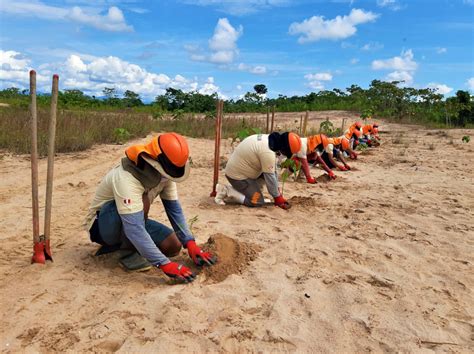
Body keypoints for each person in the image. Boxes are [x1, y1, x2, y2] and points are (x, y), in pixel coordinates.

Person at [84, 133, 215, 283]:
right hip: (102, 226)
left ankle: (118, 248)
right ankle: (126, 253)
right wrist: (164, 264)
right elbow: (134, 228)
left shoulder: (165, 174)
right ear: (156, 161)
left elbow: (174, 209)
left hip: (132, 219)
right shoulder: (127, 177)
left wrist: (189, 242)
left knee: (173, 245)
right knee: (143, 200)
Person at [214, 132, 301, 209]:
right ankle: (226, 190)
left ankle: (250, 191)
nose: (284, 156)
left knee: (266, 177)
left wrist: (277, 193)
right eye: (286, 153)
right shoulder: (268, 152)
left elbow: (273, 172)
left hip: (241, 170)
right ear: (283, 148)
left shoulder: (269, 140)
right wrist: (278, 198)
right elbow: (270, 177)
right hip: (237, 177)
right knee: (257, 201)